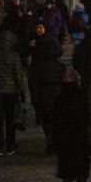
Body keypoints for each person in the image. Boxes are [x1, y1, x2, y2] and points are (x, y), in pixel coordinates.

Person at [53, 68, 91, 182]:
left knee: (66, 167)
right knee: (82, 168)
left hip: (65, 137)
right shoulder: (83, 96)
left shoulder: (59, 97)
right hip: (81, 136)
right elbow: (89, 116)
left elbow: (54, 118)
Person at [0, 33, 29, 156]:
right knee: (11, 121)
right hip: (11, 92)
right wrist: (22, 92)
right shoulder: (14, 56)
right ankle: (10, 146)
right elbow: (18, 76)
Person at [27, 22, 66, 152]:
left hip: (46, 96)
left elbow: (33, 84)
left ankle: (51, 141)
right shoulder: (59, 67)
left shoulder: (38, 66)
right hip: (53, 96)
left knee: (48, 121)